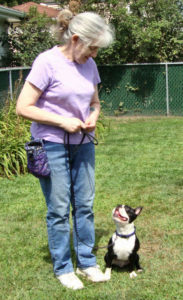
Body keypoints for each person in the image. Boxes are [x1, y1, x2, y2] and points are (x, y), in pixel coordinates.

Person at [16, 9, 114, 290]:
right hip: (51, 145)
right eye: (92, 47)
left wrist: (94, 115)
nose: (94, 54)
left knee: (84, 205)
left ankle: (86, 262)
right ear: (75, 39)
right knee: (58, 209)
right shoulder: (47, 62)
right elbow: (23, 107)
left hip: (83, 145)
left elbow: (94, 101)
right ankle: (63, 267)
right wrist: (62, 121)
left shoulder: (89, 65)